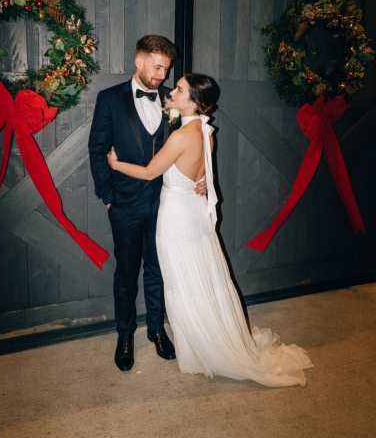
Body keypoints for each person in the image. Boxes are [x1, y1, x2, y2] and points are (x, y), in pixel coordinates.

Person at [108, 73, 313, 386]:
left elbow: (150, 173)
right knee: (200, 278)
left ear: (194, 102)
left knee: (181, 281)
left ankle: (203, 348)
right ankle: (210, 337)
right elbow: (201, 174)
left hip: (175, 216)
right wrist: (202, 180)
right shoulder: (206, 131)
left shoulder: (180, 136)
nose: (171, 91)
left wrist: (116, 164)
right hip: (192, 214)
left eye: (179, 89)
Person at [88, 35, 205, 372]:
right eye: (157, 67)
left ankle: (157, 328)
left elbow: (196, 142)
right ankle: (125, 335)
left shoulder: (174, 102)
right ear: (139, 61)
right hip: (124, 206)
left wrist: (201, 176)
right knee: (126, 273)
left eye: (166, 69)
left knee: (158, 270)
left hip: (166, 204)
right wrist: (108, 198)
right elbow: (98, 150)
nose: (162, 76)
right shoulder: (110, 99)